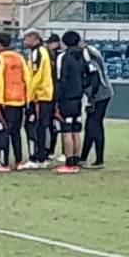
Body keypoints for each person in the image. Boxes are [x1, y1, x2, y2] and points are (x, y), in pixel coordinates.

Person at [0, 32, 30, 172]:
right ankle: (18, 160)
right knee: (16, 132)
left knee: (2, 131)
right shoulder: (20, 58)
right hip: (20, 100)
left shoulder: (0, 58)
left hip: (6, 100)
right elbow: (27, 79)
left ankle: (3, 162)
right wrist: (27, 99)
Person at [52, 31, 89, 174]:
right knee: (75, 130)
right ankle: (75, 160)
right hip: (78, 98)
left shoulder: (63, 57)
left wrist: (56, 99)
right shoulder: (81, 56)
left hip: (66, 98)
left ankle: (68, 163)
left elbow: (61, 79)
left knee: (66, 130)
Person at [22, 29, 54, 170]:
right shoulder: (42, 52)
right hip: (43, 96)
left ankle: (36, 158)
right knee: (41, 127)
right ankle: (42, 157)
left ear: (34, 38)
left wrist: (30, 96)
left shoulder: (38, 53)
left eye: (26, 38)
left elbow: (36, 77)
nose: (24, 42)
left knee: (34, 127)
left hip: (39, 97)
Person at [80, 38, 112, 169]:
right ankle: (84, 158)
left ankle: (99, 160)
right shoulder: (91, 50)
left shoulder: (87, 53)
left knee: (94, 126)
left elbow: (94, 75)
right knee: (92, 126)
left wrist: (92, 96)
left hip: (100, 93)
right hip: (102, 92)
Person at [45, 33, 62, 160]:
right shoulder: (49, 55)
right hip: (52, 94)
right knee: (52, 125)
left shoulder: (59, 56)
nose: (48, 45)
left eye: (51, 43)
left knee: (58, 125)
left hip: (57, 95)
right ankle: (50, 149)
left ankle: (61, 151)